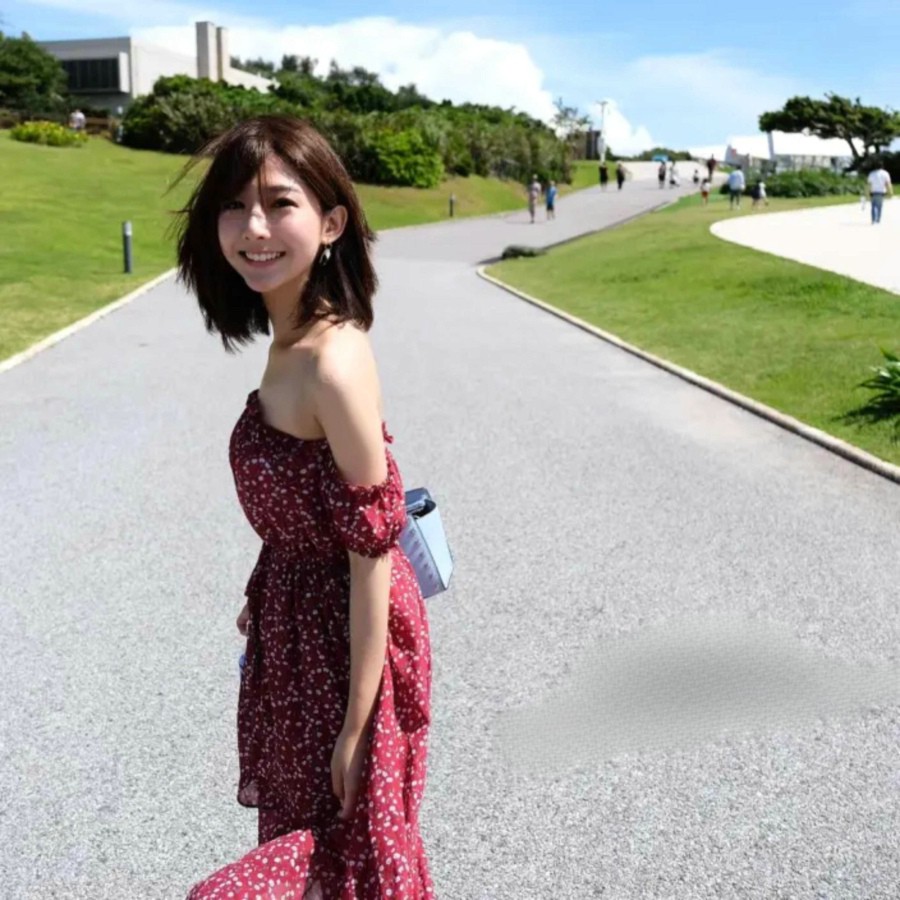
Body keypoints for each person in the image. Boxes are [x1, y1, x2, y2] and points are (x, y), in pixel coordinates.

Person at [174, 115, 434, 899]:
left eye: (279, 203)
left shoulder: (332, 360)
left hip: (345, 646)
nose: (253, 228)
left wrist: (358, 726)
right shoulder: (288, 340)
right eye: (234, 206)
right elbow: (313, 504)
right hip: (298, 630)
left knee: (346, 855)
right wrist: (269, 592)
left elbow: (372, 553)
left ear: (331, 223)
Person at [867, 159, 893, 224]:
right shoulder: (885, 173)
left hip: (873, 192)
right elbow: (888, 183)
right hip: (881, 192)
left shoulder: (872, 173)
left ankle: (873, 219)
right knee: (879, 206)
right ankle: (878, 219)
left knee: (873, 206)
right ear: (882, 166)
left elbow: (869, 184)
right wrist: (890, 192)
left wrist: (868, 192)